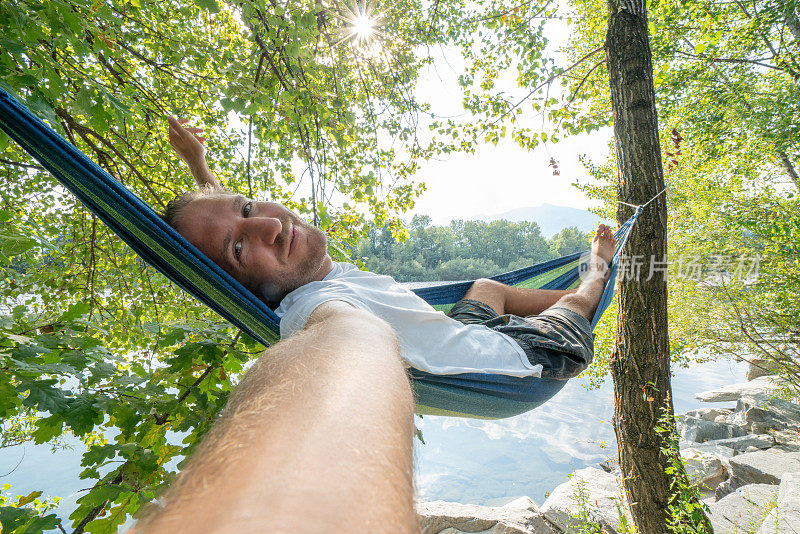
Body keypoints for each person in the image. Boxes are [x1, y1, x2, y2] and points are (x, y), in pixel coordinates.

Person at [164, 117, 614, 384]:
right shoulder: (318, 308)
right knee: (585, 290)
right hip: (524, 360)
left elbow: (227, 227)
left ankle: (573, 301)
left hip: (463, 333)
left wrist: (197, 165)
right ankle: (596, 279)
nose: (271, 224)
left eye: (247, 206)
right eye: (240, 247)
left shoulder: (312, 271)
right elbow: (347, 343)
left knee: (485, 287)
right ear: (232, 282)